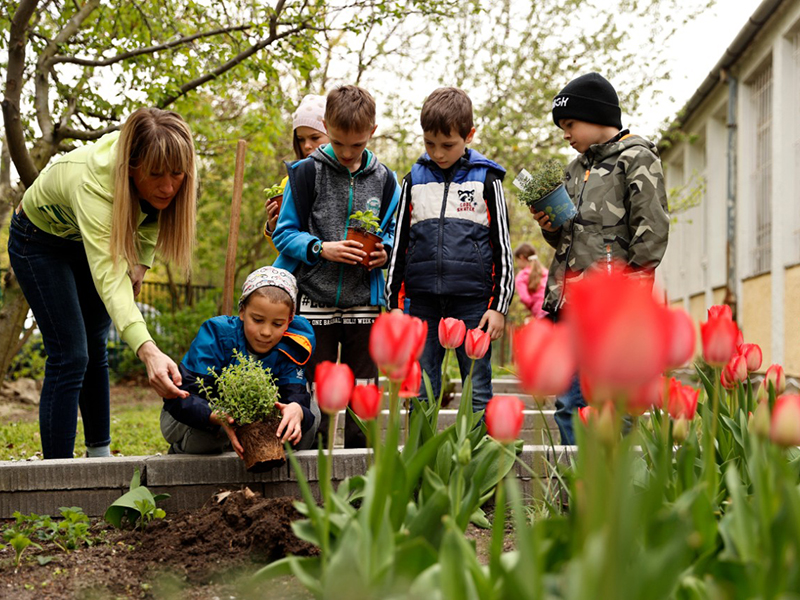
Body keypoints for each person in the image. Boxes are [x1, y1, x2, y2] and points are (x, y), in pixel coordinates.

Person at [7, 107, 197, 459]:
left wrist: (141, 260)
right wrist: (148, 349)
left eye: (176, 174)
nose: (169, 186)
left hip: (83, 241)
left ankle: (99, 457)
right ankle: (56, 474)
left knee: (95, 348)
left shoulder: (161, 175)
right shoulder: (94, 184)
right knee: (70, 354)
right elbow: (110, 278)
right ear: (131, 166)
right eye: (156, 174)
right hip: (38, 241)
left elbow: (154, 211)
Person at [535, 72, 670, 444]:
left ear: (597, 116)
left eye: (569, 123)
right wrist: (549, 225)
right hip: (571, 303)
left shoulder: (637, 158)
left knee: (615, 400)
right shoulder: (574, 170)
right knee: (569, 401)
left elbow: (653, 229)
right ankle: (576, 492)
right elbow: (567, 238)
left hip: (615, 304)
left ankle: (617, 488)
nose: (565, 133)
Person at [273, 85, 399, 448]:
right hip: (313, 302)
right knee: (314, 395)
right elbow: (284, 234)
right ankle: (314, 474)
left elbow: (391, 231)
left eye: (356, 145)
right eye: (339, 143)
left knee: (363, 393)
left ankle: (361, 478)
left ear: (371, 133)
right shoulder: (304, 174)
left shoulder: (386, 180)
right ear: (327, 127)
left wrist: (386, 252)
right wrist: (320, 248)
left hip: (365, 303)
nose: (346, 153)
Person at [385, 87, 514, 414]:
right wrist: (394, 305)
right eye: (430, 144)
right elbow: (399, 244)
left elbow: (502, 247)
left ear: (469, 135)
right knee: (420, 390)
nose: (438, 153)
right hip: (421, 300)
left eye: (448, 145)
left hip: (472, 300)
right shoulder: (413, 180)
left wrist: (499, 306)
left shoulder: (487, 181)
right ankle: (420, 461)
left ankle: (475, 461)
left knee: (478, 388)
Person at [160, 266, 319, 455]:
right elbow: (180, 397)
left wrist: (296, 409)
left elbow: (294, 393)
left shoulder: (292, 343)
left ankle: (274, 464)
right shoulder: (216, 335)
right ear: (242, 312)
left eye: (277, 324)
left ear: (289, 320)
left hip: (251, 422)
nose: (266, 332)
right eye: (258, 320)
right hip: (196, 418)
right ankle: (181, 451)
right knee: (209, 436)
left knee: (310, 413)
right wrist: (217, 416)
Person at [264, 94, 330, 237]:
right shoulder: (290, 182)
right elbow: (283, 249)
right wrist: (272, 228)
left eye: (314, 137)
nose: (306, 146)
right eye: (301, 139)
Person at [514, 243, 548, 321]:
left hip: (541, 313)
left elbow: (525, 298)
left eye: (517, 260)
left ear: (521, 257)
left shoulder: (521, 276)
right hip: (554, 310)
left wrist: (531, 306)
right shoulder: (545, 272)